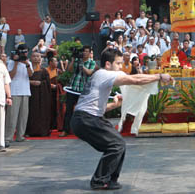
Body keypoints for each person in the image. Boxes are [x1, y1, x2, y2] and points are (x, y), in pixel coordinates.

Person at [70, 49, 173, 190]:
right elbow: (134, 80)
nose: (120, 67)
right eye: (118, 64)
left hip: (84, 119)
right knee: (116, 145)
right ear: (108, 64)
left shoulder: (98, 76)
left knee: (118, 144)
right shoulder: (104, 74)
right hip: (86, 119)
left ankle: (111, 180)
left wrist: (115, 105)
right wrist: (159, 76)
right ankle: (99, 181)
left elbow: (95, 106)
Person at [60, 46, 96, 137]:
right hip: (73, 88)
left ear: (89, 53)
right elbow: (70, 70)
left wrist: (82, 65)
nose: (84, 53)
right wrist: (73, 59)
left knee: (83, 111)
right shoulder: (76, 61)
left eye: (86, 51)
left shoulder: (92, 62)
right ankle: (65, 130)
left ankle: (83, 130)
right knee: (69, 110)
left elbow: (89, 72)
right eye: (83, 51)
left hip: (83, 90)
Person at [5, 44, 32, 146]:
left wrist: (27, 64)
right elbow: (10, 76)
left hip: (25, 91)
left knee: (23, 116)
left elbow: (30, 75)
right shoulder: (11, 62)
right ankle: (8, 136)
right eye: (22, 52)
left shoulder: (28, 62)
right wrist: (16, 63)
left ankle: (20, 136)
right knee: (12, 116)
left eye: (26, 52)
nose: (24, 54)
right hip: (15, 92)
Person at [26, 51, 52, 137]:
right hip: (31, 95)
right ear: (31, 58)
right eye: (34, 56)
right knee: (31, 112)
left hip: (42, 96)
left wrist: (41, 83)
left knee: (42, 113)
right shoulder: (28, 69)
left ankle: (42, 131)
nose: (36, 58)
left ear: (41, 58)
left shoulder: (44, 71)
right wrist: (31, 82)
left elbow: (47, 83)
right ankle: (30, 131)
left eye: (38, 56)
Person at [46, 57, 61, 130]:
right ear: (50, 62)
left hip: (56, 92)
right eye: (55, 61)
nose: (57, 63)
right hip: (48, 92)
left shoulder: (58, 71)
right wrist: (51, 85)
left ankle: (56, 125)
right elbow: (45, 81)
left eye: (57, 61)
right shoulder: (45, 71)